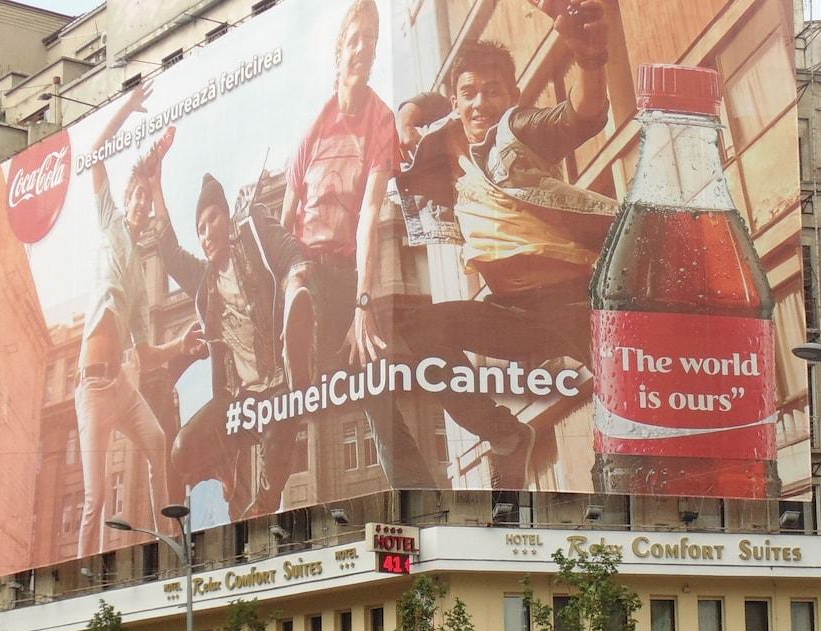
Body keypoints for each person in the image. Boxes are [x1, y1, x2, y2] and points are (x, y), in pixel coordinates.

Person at [384, 1, 617, 488]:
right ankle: (505, 435)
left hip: (575, 300)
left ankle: (620, 481)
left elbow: (579, 117)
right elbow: (429, 103)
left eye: (493, 92)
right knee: (418, 328)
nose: (479, 104)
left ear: (512, 96)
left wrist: (591, 62)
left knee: (623, 402)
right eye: (469, 94)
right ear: (454, 102)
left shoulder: (517, 132)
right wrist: (409, 109)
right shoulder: (442, 150)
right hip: (512, 313)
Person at [278, 0, 440, 490]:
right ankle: (291, 321)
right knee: (268, 239)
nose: (364, 49)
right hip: (302, 264)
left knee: (377, 393)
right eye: (356, 40)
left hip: (344, 274)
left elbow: (370, 211)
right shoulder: (312, 129)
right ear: (339, 50)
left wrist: (362, 303)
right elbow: (286, 218)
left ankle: (422, 499)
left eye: (372, 40)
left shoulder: (380, 120)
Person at [70, 81, 197, 557]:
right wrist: (127, 107)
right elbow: (95, 154)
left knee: (158, 439)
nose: (144, 206)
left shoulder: (143, 286)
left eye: (148, 201)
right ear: (128, 201)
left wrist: (182, 345)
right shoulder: (111, 225)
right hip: (92, 389)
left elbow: (145, 353)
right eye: (138, 199)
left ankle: (172, 532)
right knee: (95, 497)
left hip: (121, 384)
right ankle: (82, 572)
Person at [152, 171, 307, 516]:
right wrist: (155, 182)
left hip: (280, 384)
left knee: (271, 472)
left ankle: (264, 510)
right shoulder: (205, 280)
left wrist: (295, 283)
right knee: (181, 451)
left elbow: (291, 252)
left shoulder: (254, 244)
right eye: (201, 230)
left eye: (212, 221)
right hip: (239, 398)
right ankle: (224, 463)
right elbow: (170, 251)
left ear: (228, 219)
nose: (207, 235)